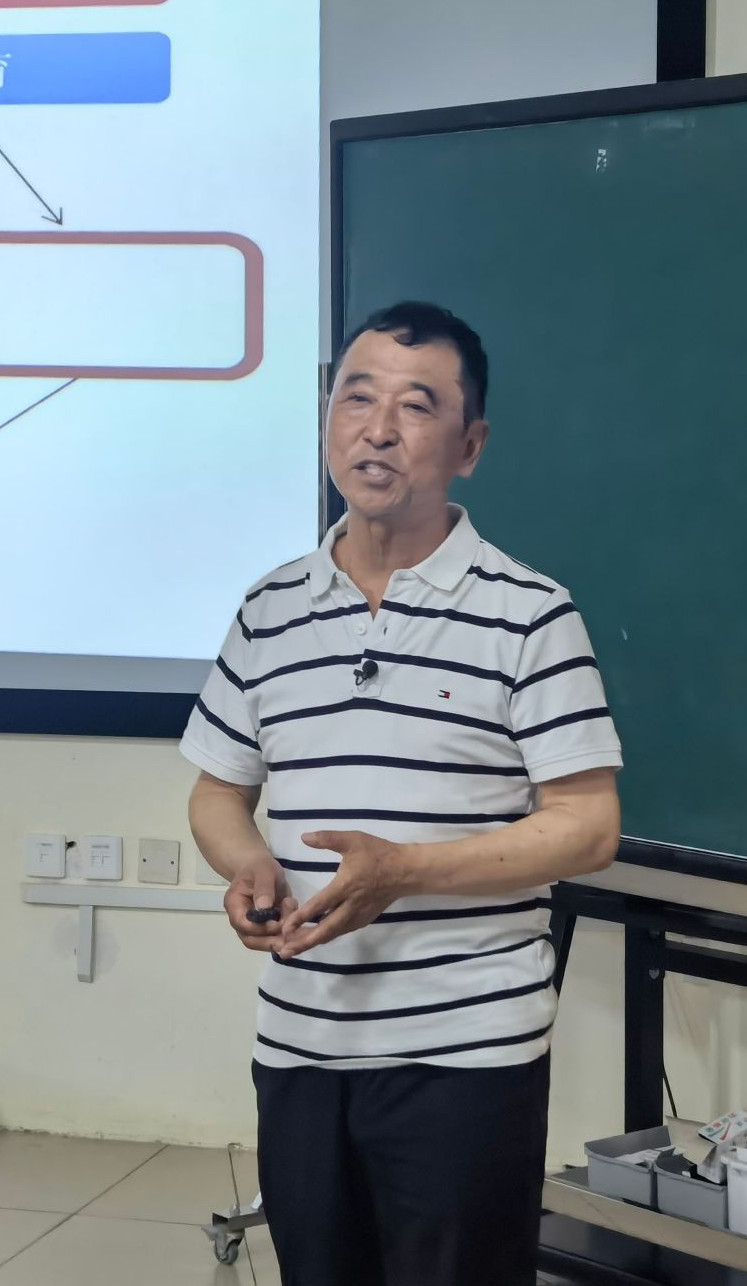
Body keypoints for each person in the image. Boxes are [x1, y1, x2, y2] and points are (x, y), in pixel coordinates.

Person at [182, 302, 623, 1286]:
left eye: (416, 407)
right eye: (356, 398)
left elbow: (589, 827)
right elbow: (216, 793)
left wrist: (406, 871)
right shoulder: (269, 609)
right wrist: (246, 863)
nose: (377, 430)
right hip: (300, 1041)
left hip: (464, 1049)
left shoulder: (529, 614)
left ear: (469, 446)